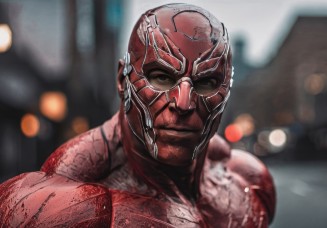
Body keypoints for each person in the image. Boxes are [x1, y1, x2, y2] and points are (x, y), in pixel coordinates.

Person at [0, 3, 276, 227]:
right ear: (123, 80)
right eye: (161, 77)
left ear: (227, 89)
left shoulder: (247, 180)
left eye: (206, 84)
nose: (183, 103)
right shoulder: (61, 203)